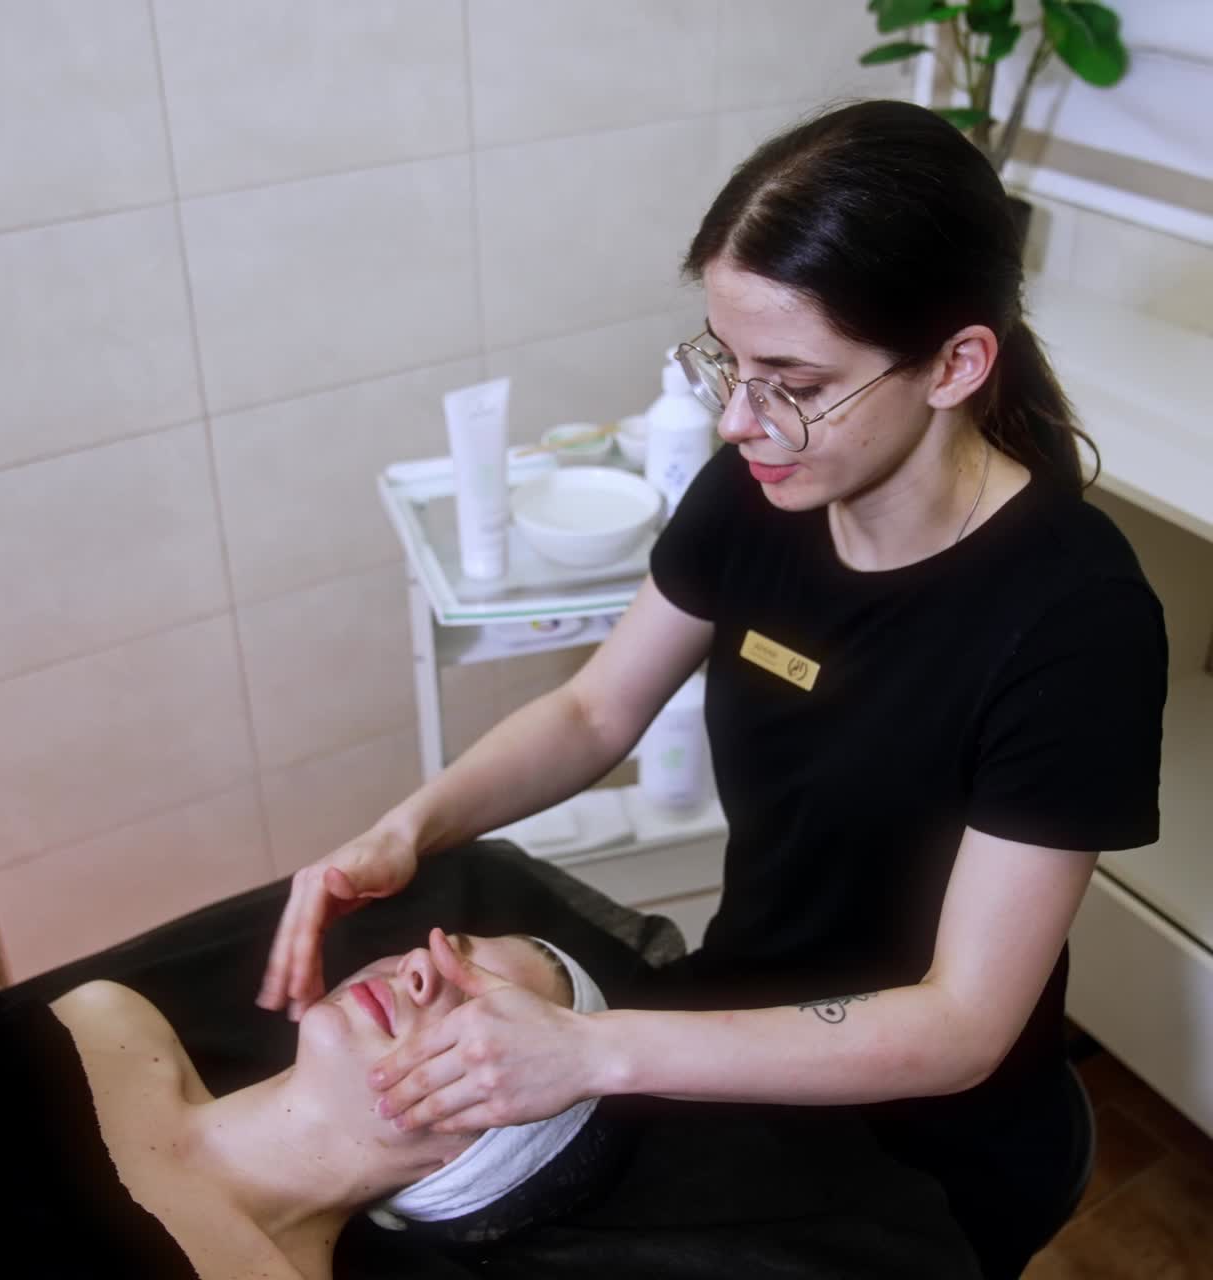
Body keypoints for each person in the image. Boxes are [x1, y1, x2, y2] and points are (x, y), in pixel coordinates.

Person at [258, 99, 1167, 1279]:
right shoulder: (760, 493)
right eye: (726, 363)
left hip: (933, 1138)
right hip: (723, 1034)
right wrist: (407, 825)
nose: (739, 419)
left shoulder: (1072, 619)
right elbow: (595, 710)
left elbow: (957, 1023)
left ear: (954, 363)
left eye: (791, 379)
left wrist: (591, 1051)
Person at [0, 931, 611, 1280]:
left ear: (475, 1163)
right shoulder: (110, 1024)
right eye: (452, 950)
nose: (420, 969)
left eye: (478, 1021)